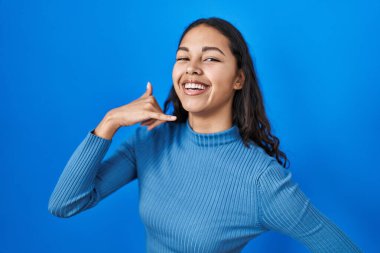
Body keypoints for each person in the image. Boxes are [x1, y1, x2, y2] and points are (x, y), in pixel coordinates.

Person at [48, 17, 362, 252]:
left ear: (238, 79)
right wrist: (110, 122)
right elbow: (65, 204)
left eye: (210, 58)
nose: (193, 68)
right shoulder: (151, 141)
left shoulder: (260, 180)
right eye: (184, 57)